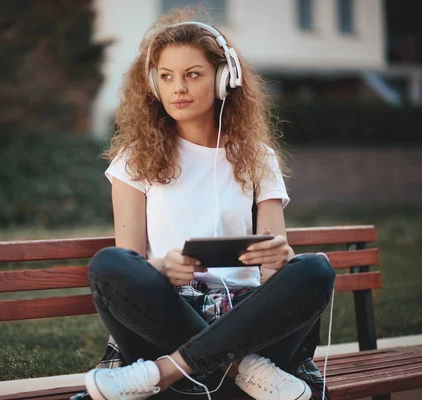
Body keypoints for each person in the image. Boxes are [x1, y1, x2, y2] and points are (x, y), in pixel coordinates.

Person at [83, 8, 335, 400]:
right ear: (152, 84)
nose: (178, 88)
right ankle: (242, 371)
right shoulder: (135, 160)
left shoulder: (257, 157)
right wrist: (162, 268)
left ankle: (164, 374)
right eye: (166, 77)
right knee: (108, 265)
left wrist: (280, 258)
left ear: (224, 80)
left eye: (193, 74)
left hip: (250, 321)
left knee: (315, 269)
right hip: (168, 318)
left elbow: (273, 267)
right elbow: (128, 263)